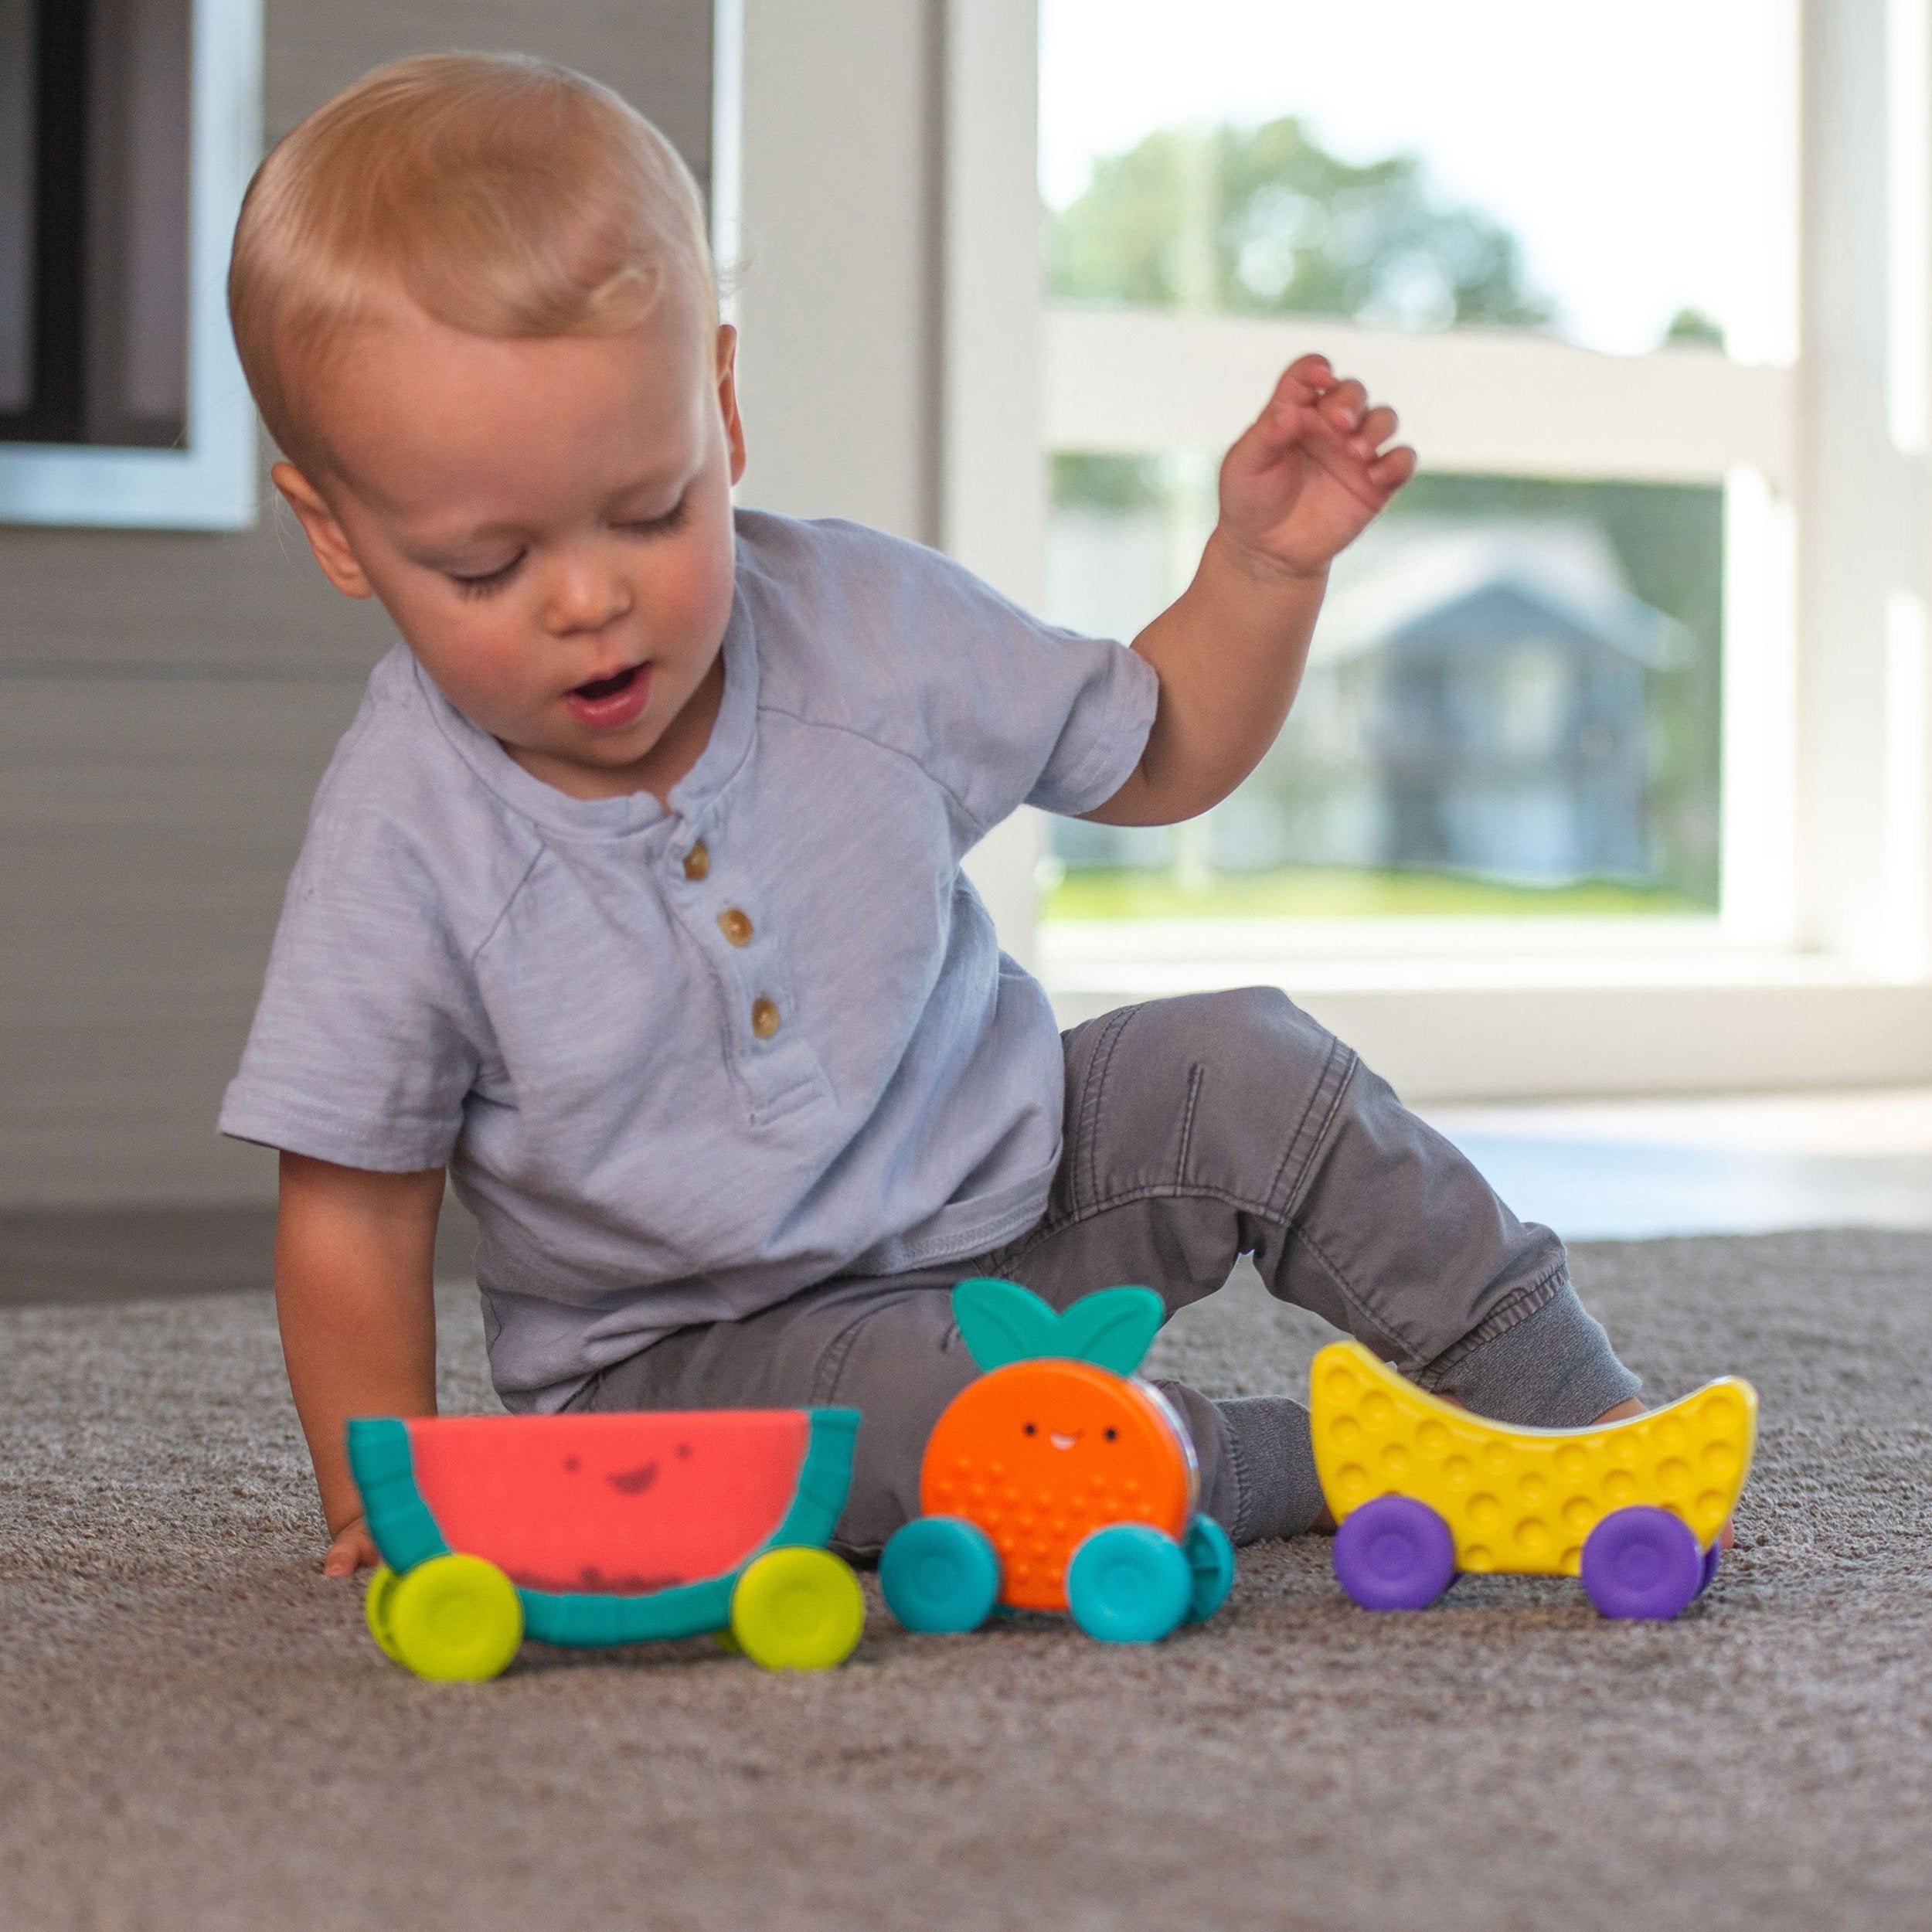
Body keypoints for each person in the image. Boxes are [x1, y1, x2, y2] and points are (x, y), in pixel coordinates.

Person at [220, 53, 1641, 1580]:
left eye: (648, 510)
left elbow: (1156, 753)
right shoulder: (404, 839)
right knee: (974, 1432)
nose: (588, 598)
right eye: (488, 567)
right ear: (339, 533)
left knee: (1251, 1064)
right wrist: (380, 1497)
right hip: (698, 1360)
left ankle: (1573, 1411)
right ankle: (1331, 1470)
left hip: (1006, 1187)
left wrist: (1261, 572)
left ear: (720, 406)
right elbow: (354, 1208)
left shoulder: (864, 628)